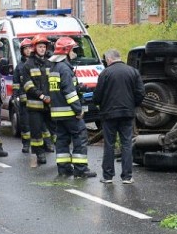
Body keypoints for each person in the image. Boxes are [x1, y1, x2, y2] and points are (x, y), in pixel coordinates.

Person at [93, 48, 144, 184]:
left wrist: (99, 103)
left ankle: (108, 176)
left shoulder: (105, 73)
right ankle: (127, 177)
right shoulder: (133, 72)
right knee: (126, 143)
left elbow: (97, 96)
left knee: (109, 144)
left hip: (108, 114)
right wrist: (133, 105)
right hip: (127, 113)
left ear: (109, 59)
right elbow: (141, 93)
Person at [48, 37, 96, 178]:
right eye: (73, 49)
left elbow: (61, 89)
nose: (75, 52)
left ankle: (64, 169)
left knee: (62, 140)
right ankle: (81, 170)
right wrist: (78, 110)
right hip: (70, 112)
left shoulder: (55, 68)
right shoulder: (65, 69)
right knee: (80, 137)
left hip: (58, 113)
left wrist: (80, 87)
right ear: (66, 51)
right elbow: (69, 93)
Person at [21, 34, 53, 165]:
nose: (42, 49)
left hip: (49, 104)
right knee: (36, 132)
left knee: (53, 130)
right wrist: (42, 96)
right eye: (40, 46)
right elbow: (28, 86)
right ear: (35, 48)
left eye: (44, 47)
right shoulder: (28, 65)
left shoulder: (49, 63)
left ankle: (57, 150)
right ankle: (39, 153)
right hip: (35, 106)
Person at [12, 38, 33, 153]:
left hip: (36, 99)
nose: (28, 50)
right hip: (24, 101)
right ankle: (26, 144)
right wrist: (16, 96)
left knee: (40, 123)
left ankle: (45, 144)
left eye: (30, 48)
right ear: (22, 51)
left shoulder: (36, 63)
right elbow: (16, 83)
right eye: (26, 48)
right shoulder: (19, 67)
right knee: (25, 124)